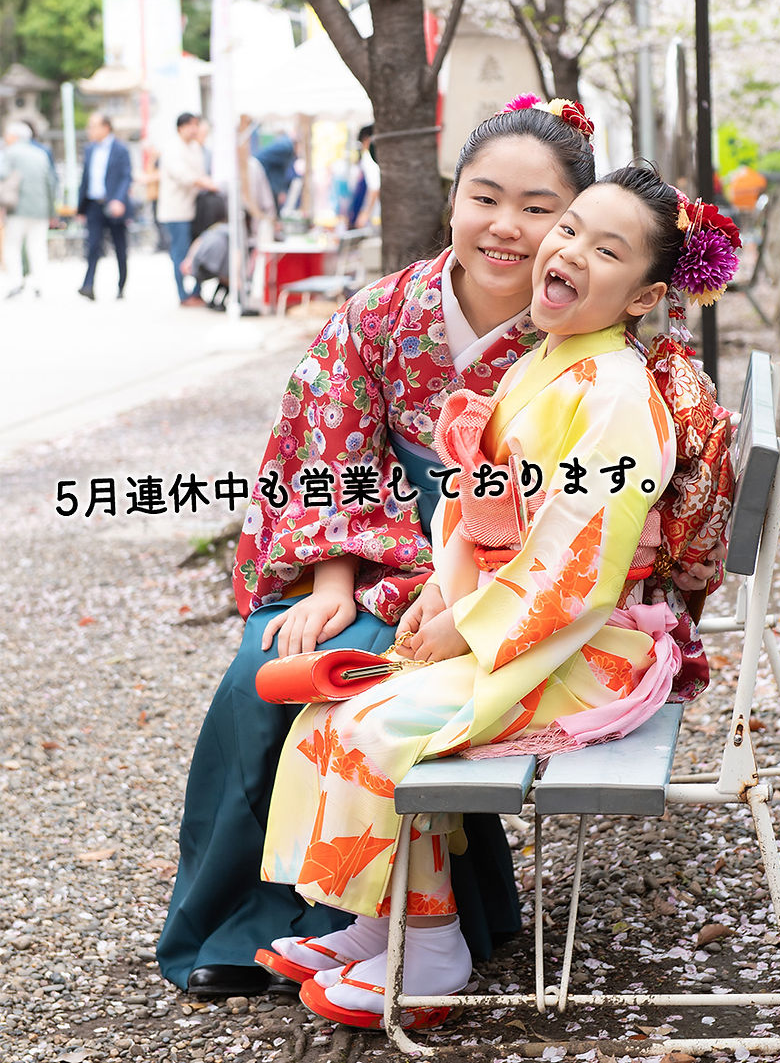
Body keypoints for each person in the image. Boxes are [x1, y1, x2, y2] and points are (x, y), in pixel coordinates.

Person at [155, 97, 721, 999]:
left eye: (540, 209)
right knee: (267, 671)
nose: (509, 227)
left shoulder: (592, 346)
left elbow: (592, 526)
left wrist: (463, 604)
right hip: (379, 555)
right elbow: (331, 451)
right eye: (484, 197)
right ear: (451, 199)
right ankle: (251, 919)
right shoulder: (384, 315)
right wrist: (333, 579)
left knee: (366, 698)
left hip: (509, 591)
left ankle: (423, 927)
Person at [157, 113, 219, 307]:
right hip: (176, 212)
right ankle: (183, 295)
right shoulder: (172, 148)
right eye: (191, 125)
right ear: (181, 128)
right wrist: (206, 183)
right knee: (180, 253)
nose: (194, 129)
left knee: (197, 251)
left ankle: (196, 293)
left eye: (196, 125)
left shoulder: (195, 148)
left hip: (195, 210)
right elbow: (184, 175)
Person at [76, 112, 132, 301]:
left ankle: (121, 286)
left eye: (93, 126)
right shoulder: (89, 149)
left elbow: (126, 177)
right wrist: (81, 209)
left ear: (106, 127)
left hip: (114, 205)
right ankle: (88, 285)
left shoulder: (120, 149)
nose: (89, 130)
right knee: (92, 246)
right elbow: (85, 179)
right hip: (94, 204)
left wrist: (119, 200)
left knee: (120, 247)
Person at [1, 120, 56, 299]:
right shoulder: (40, 154)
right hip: (40, 209)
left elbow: (2, 174)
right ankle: (39, 284)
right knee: (38, 247)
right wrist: (51, 211)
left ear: (14, 136)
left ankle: (16, 283)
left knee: (12, 246)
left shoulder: (10, 153)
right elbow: (51, 183)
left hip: (17, 208)